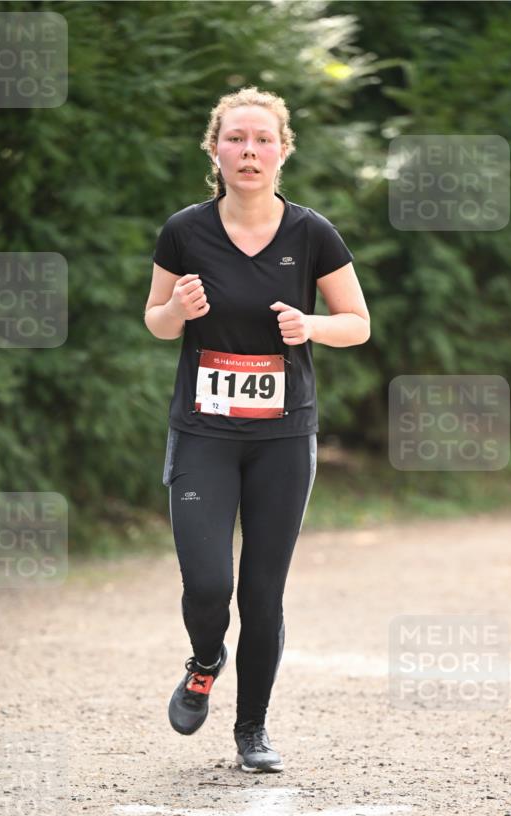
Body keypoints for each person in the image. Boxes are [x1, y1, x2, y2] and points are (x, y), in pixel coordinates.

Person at [144, 86, 370, 773]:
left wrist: (312, 327)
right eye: (236, 138)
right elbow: (154, 319)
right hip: (204, 432)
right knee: (209, 584)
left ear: (282, 150)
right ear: (215, 149)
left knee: (262, 593)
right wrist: (177, 308)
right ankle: (205, 659)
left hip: (281, 435)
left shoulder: (311, 233)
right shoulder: (184, 231)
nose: (249, 151)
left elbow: (357, 323)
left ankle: (252, 731)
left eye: (262, 139)